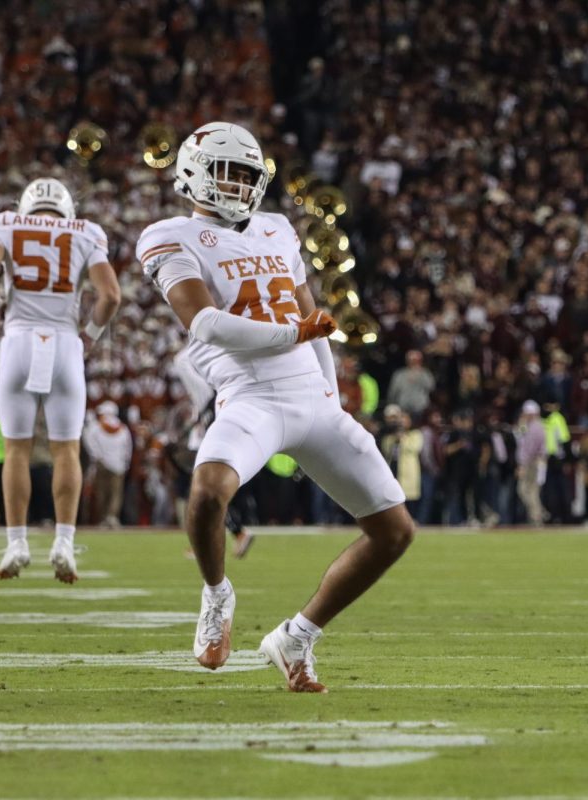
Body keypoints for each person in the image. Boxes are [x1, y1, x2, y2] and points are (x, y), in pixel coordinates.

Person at [137, 122, 414, 691]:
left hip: (310, 398)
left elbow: (312, 324)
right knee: (209, 492)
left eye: (247, 174)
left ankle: (297, 636)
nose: (240, 185)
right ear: (194, 172)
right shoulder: (169, 235)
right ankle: (217, 594)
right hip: (250, 397)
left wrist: (332, 399)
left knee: (395, 532)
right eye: (228, 173)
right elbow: (206, 323)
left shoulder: (279, 229)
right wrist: (293, 334)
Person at [0, 177, 121, 581]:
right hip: (65, 345)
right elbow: (111, 296)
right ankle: (64, 543)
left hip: (19, 339)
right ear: (67, 209)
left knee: (16, 450)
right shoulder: (87, 231)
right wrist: (88, 336)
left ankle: (16, 543)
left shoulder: (5, 222)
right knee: (66, 450)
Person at [82, 401, 133, 528]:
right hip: (118, 465)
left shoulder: (95, 427)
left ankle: (104, 518)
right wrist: (125, 462)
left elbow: (89, 443)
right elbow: (128, 448)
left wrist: (97, 456)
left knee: (102, 492)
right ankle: (112, 517)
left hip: (102, 463)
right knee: (116, 493)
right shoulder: (123, 429)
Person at [515, 400, 546, 525]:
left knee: (525, 490)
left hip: (531, 462)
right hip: (535, 462)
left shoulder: (535, 427)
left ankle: (537, 514)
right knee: (532, 491)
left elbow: (528, 448)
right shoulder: (533, 426)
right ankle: (537, 513)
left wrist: (522, 465)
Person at [386, 350, 435, 418]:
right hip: (403, 409)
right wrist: (393, 405)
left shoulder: (425, 373)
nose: (413, 362)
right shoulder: (399, 374)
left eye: (415, 360)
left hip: (421, 409)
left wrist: (419, 374)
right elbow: (393, 392)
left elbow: (431, 387)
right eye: (411, 360)